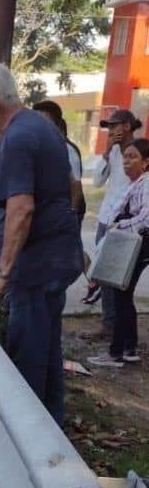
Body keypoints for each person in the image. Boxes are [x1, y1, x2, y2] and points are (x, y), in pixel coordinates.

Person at [0, 63, 83, 425]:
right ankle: (52, 426)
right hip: (54, 259)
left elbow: (21, 209)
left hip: (35, 268)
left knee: (29, 353)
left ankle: (27, 433)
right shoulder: (40, 127)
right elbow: (67, 186)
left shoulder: (18, 138)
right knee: (47, 349)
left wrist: (3, 271)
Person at [88, 138, 149, 367]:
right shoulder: (137, 182)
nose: (126, 161)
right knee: (124, 295)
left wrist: (118, 226)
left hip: (138, 244)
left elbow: (146, 217)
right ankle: (129, 349)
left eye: (133, 157)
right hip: (135, 243)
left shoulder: (146, 183)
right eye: (125, 156)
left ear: (146, 162)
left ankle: (115, 354)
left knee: (121, 295)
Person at [85, 109, 138, 336]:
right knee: (104, 274)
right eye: (109, 126)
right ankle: (108, 324)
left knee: (120, 278)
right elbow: (97, 182)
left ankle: (121, 329)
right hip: (106, 218)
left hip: (126, 223)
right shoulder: (113, 152)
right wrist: (106, 153)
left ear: (127, 126)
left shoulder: (140, 151)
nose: (111, 130)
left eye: (115, 125)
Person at [32, 100, 86, 227]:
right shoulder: (40, 146)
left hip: (65, 215)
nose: (38, 126)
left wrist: (69, 218)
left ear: (56, 125)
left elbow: (76, 188)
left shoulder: (67, 150)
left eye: (44, 122)